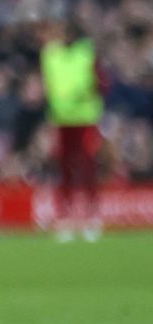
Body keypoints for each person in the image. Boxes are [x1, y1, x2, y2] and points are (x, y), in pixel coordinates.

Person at [39, 19, 105, 241]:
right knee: (64, 168)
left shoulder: (86, 53)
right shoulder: (51, 54)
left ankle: (91, 216)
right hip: (61, 119)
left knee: (87, 167)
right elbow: (49, 85)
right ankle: (65, 217)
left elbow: (100, 83)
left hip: (85, 118)